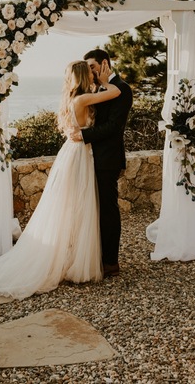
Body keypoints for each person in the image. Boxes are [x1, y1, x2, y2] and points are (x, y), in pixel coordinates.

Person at [0, 60, 121, 299]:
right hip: (79, 156)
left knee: (73, 206)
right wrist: (107, 82)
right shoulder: (82, 100)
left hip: (74, 152)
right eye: (91, 72)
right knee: (78, 206)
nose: (95, 74)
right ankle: (73, 260)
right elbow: (116, 92)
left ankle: (70, 256)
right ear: (83, 76)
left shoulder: (73, 98)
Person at [80, 48, 133, 277]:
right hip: (89, 158)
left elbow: (114, 127)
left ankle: (111, 261)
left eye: (92, 66)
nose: (89, 72)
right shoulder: (96, 89)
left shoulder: (121, 88)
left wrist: (83, 136)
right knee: (94, 209)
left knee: (108, 210)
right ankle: (94, 256)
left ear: (103, 64)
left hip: (108, 159)